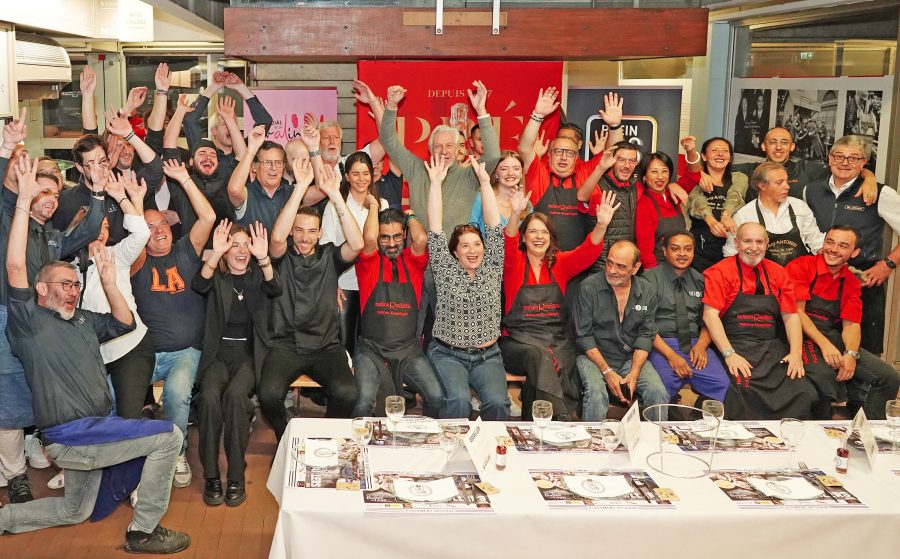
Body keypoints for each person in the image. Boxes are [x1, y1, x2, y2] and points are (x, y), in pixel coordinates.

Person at [0, 155, 189, 554]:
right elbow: (16, 264)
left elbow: (124, 323)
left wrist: (108, 281)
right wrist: (20, 202)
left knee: (75, 511)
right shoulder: (27, 321)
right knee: (167, 436)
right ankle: (143, 531)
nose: (70, 290)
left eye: (73, 284)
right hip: (70, 435)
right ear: (40, 290)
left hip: (91, 430)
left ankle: (4, 521)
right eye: (62, 284)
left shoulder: (84, 319)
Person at [0, 117, 105, 503]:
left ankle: (40, 451)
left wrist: (96, 193)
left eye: (55, 194)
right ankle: (14, 476)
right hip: (6, 318)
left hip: (44, 323)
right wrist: (5, 149)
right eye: (42, 191)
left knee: (42, 392)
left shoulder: (48, 235)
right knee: (9, 398)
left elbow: (86, 233)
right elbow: (6, 198)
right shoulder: (9, 220)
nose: (50, 199)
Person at [258, 159, 363, 441]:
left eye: (311, 231)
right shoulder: (281, 256)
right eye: (299, 230)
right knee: (267, 395)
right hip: (285, 345)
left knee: (348, 392)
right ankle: (287, 437)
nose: (304, 237)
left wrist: (335, 194)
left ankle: (321, 438)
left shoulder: (329, 256)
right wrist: (301, 186)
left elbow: (357, 244)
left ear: (319, 234)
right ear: (293, 231)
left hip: (325, 346)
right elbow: (277, 237)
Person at [131, 158, 216, 488]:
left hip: (184, 352)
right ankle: (118, 454)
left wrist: (184, 178)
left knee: (178, 395)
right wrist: (137, 204)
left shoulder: (186, 250)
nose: (158, 231)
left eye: (162, 225)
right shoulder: (136, 260)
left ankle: (176, 452)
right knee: (111, 391)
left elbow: (207, 217)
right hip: (145, 353)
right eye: (149, 228)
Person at [500, 189, 619, 420]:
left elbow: (588, 252)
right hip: (517, 342)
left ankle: (532, 422)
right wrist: (516, 213)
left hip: (556, 340)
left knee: (559, 361)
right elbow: (508, 240)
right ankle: (561, 417)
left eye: (544, 232)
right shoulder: (514, 262)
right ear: (524, 237)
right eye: (532, 231)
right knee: (538, 356)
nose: (538, 236)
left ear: (551, 238)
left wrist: (602, 224)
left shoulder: (559, 263)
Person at [193, 220, 280, 507]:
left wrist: (264, 256)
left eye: (246, 245)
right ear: (225, 249)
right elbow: (199, 284)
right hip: (218, 354)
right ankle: (211, 475)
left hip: (248, 356)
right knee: (207, 399)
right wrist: (215, 253)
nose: (241, 251)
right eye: (235, 245)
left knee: (234, 398)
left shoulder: (257, 276)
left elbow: (275, 287)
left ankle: (236, 475)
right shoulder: (218, 277)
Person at [702, 222, 817, 419]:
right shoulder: (719, 272)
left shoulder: (779, 273)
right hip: (732, 345)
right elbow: (710, 316)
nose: (753, 248)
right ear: (737, 243)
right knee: (739, 390)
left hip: (770, 348)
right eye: (747, 241)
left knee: (803, 391)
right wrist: (729, 354)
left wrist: (796, 353)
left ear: (767, 244)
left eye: (759, 242)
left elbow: (791, 315)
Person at [786, 226, 900, 420]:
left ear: (854, 252)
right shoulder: (801, 266)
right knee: (823, 377)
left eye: (843, 245)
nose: (833, 249)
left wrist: (850, 355)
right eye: (830, 242)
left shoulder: (851, 281)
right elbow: (798, 312)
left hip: (832, 336)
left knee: (888, 377)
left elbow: (852, 325)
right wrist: (825, 345)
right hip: (798, 335)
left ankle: (868, 433)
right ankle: (821, 433)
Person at [426, 155, 508, 420]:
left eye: (477, 244)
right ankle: (450, 454)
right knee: (459, 401)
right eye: (465, 245)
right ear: (454, 252)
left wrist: (486, 182)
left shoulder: (493, 266)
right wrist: (436, 183)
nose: (473, 250)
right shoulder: (444, 268)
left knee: (497, 404)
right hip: (448, 354)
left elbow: (495, 226)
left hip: (488, 356)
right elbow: (435, 228)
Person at [804, 134, 900, 355]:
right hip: (822, 285)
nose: (844, 162)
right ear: (829, 158)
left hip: (863, 284)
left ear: (863, 163)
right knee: (821, 350)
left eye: (853, 158)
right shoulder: (812, 190)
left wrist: (888, 264)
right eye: (838, 156)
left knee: (862, 354)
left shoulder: (880, 192)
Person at [352, 207, 442, 418]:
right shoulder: (369, 263)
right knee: (364, 401)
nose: (391, 244)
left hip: (408, 351)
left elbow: (420, 238)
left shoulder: (413, 262)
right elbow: (369, 237)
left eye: (396, 237)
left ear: (404, 235)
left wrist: (410, 214)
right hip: (371, 351)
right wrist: (374, 206)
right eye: (385, 238)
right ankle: (361, 446)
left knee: (436, 397)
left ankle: (427, 441)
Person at [75, 171, 152, 420]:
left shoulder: (117, 254)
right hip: (94, 355)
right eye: (95, 227)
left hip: (130, 347)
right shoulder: (69, 268)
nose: (101, 233)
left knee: (129, 417)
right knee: (98, 417)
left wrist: (121, 197)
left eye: (106, 227)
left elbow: (141, 234)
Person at [377, 81, 500, 233]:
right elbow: (388, 140)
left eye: (449, 146)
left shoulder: (470, 175)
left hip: (458, 255)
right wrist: (391, 106)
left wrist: (481, 111)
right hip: (422, 255)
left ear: (457, 150)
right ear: (430, 150)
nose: (443, 151)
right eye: (438, 146)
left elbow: (494, 155)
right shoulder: (417, 169)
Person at [573, 240, 669, 421]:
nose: (611, 270)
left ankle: (655, 443)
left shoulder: (647, 290)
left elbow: (646, 335)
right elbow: (583, 336)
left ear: (635, 268)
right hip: (593, 356)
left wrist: (634, 372)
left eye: (620, 266)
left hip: (629, 357)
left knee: (658, 393)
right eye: (609, 263)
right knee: (596, 394)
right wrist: (607, 372)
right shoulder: (588, 287)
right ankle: (592, 446)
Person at [518, 88, 621, 251]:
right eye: (558, 151)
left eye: (570, 153)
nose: (564, 157)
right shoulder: (539, 174)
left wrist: (615, 126)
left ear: (576, 156)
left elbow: (615, 153)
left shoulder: (586, 172)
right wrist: (537, 115)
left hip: (576, 264)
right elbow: (524, 148)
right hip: (540, 260)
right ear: (549, 155)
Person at [644, 232, 729, 404]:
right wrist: (670, 355)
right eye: (675, 249)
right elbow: (645, 324)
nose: (682, 254)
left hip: (693, 343)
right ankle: (665, 418)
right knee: (662, 385)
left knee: (722, 383)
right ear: (664, 251)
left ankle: (700, 421)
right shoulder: (649, 279)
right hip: (660, 343)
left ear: (693, 252)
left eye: (687, 249)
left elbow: (708, 320)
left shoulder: (701, 280)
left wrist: (701, 345)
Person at [54, 113, 163, 245]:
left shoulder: (120, 189)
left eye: (102, 161)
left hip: (123, 261)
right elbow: (58, 246)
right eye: (92, 164)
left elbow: (156, 169)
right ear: (80, 168)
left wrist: (130, 135)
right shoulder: (65, 201)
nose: (98, 169)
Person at [320, 151, 389, 357]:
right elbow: (326, 246)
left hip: (373, 284)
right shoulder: (335, 205)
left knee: (370, 346)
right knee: (344, 344)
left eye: (366, 173)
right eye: (356, 174)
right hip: (345, 285)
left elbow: (384, 246)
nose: (362, 179)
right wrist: (332, 283)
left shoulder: (381, 204)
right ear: (347, 176)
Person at [729, 126, 877, 203]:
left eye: (784, 142)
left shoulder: (806, 169)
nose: (779, 147)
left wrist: (869, 177)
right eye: (773, 142)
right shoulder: (750, 170)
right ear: (763, 146)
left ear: (792, 147)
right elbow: (714, 168)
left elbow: (844, 168)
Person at [724, 162, 824, 267]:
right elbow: (731, 254)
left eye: (786, 181)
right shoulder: (744, 215)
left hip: (799, 278)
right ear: (762, 185)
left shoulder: (800, 207)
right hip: (761, 280)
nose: (787, 186)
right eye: (779, 182)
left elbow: (816, 243)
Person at [183, 71, 273, 180]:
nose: (230, 127)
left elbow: (265, 120)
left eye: (232, 123)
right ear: (214, 131)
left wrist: (241, 88)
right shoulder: (205, 153)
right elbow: (190, 120)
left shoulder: (248, 146)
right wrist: (213, 87)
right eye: (224, 124)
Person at [687, 137, 748, 271]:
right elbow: (697, 200)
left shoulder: (740, 178)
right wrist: (711, 221)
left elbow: (735, 195)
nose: (720, 154)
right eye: (714, 150)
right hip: (700, 247)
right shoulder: (696, 179)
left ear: (730, 158)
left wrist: (726, 215)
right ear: (703, 156)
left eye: (725, 151)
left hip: (731, 246)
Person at [227, 125, 293, 233]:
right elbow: (233, 190)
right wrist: (251, 149)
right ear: (254, 167)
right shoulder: (247, 194)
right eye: (267, 162)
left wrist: (314, 149)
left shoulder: (292, 192)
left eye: (278, 163)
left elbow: (321, 187)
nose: (274, 168)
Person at [634, 151, 688, 269]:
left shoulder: (672, 196)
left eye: (664, 171)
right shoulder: (644, 203)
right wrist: (654, 277)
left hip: (680, 266)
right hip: (658, 269)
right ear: (644, 177)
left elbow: (693, 177)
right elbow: (644, 250)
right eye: (654, 172)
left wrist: (690, 150)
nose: (660, 177)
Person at [469, 151, 532, 233]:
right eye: (504, 169)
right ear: (496, 173)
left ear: (521, 173)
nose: (510, 173)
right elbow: (470, 231)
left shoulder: (526, 205)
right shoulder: (481, 197)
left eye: (516, 169)